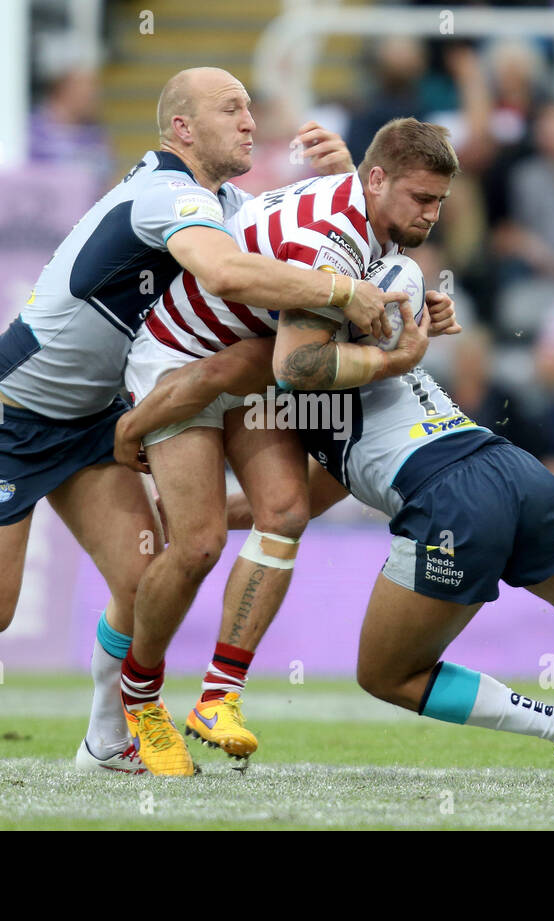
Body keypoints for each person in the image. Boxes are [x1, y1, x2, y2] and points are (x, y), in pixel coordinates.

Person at [0, 66, 403, 777]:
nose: (251, 121)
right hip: (11, 412)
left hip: (95, 420)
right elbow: (227, 274)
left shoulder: (213, 197)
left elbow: (287, 236)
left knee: (143, 576)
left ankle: (106, 738)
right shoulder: (166, 195)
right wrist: (347, 291)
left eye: (251, 109)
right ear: (182, 128)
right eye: (232, 109)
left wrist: (345, 188)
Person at [110, 334, 554, 790]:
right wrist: (224, 509)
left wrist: (135, 426)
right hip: (514, 468)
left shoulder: (286, 349)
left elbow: (214, 376)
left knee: (385, 672)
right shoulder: (366, 334)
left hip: (451, 499)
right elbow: (326, 483)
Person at [116, 118, 459, 775]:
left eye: (440, 201)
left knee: (285, 512)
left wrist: (417, 310)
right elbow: (297, 369)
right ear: (378, 179)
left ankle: (217, 698)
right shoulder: (329, 239)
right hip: (181, 357)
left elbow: (319, 323)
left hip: (246, 363)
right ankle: (142, 703)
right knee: (197, 544)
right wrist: (395, 357)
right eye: (422, 198)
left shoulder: (361, 213)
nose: (432, 214)